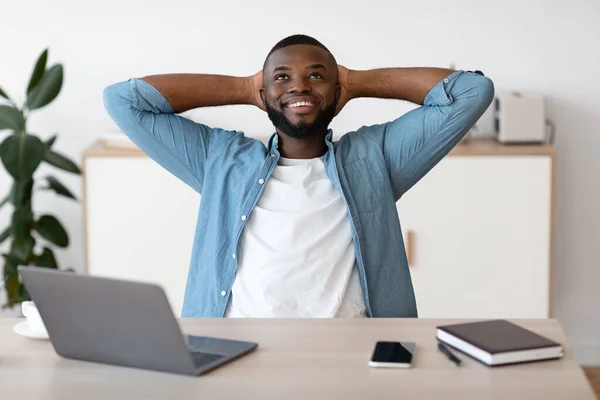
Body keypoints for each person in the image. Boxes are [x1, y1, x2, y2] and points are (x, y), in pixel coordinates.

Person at [103, 34, 494, 318]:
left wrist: (355, 82)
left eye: (317, 76)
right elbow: (124, 100)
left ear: (336, 89)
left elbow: (471, 91)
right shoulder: (221, 160)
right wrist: (242, 87)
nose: (300, 85)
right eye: (281, 77)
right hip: (236, 350)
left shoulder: (375, 158)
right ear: (264, 91)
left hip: (350, 356)